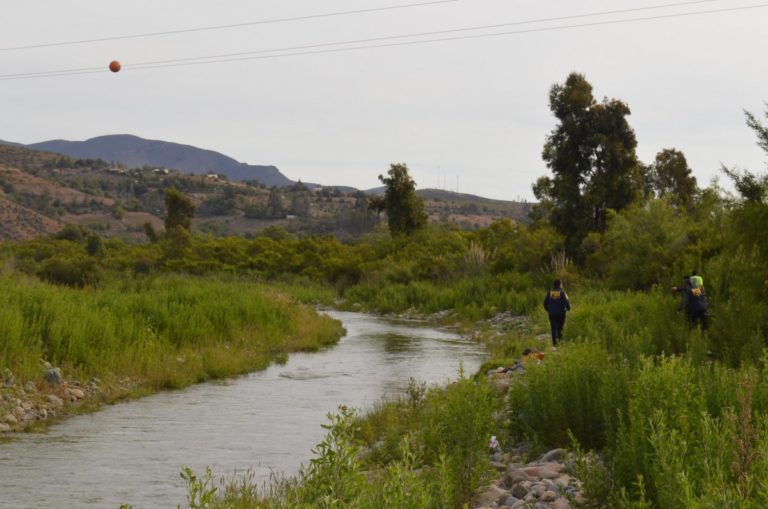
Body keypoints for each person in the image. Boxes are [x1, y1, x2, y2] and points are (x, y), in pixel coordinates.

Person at [543, 279, 571, 346]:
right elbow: (567, 303)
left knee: (554, 328)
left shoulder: (549, 293)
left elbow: (544, 303)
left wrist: (549, 310)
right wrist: (568, 308)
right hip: (561, 313)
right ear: (560, 284)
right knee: (560, 328)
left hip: (552, 314)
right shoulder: (563, 293)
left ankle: (555, 344)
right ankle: (560, 343)